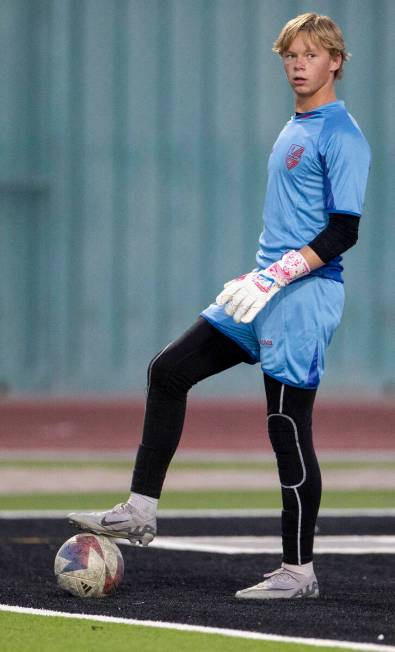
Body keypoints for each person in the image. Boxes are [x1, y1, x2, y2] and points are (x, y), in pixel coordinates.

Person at [69, 13, 371, 600]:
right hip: (262, 290)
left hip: (303, 296)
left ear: (335, 60)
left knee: (286, 424)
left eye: (309, 55)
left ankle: (298, 573)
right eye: (289, 56)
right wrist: (262, 275)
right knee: (169, 370)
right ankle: (139, 510)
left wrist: (281, 273)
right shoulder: (295, 127)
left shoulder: (342, 134)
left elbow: (344, 231)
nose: (296, 65)